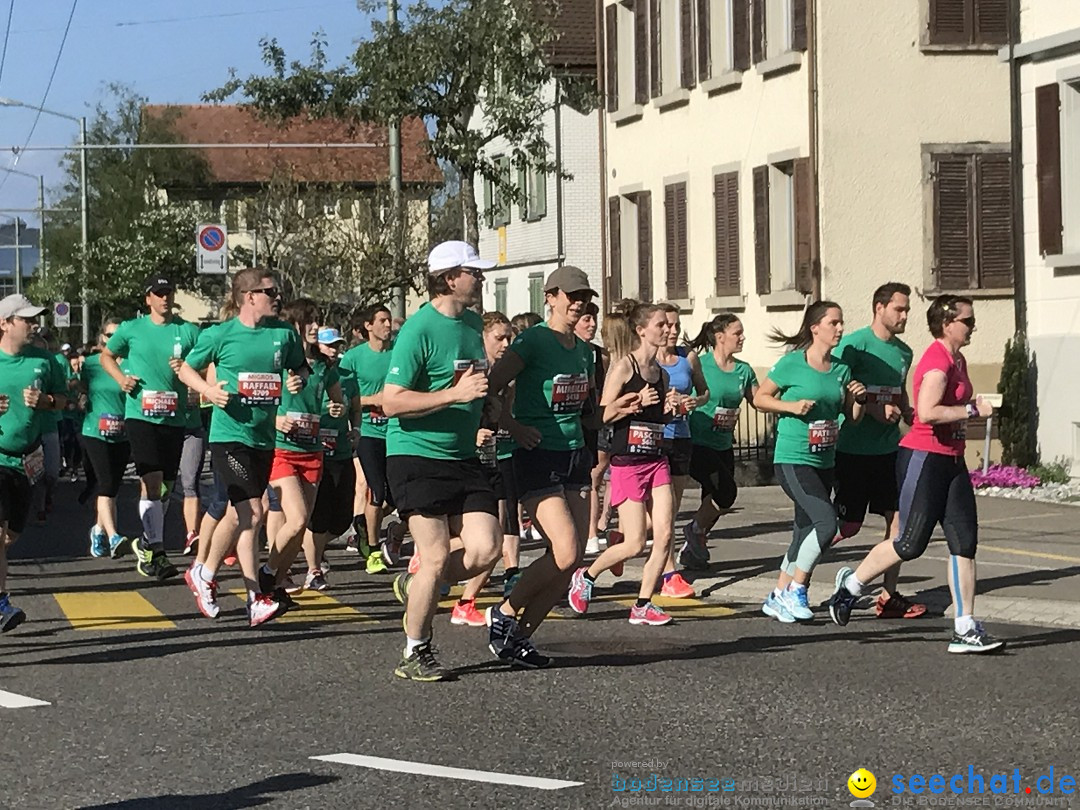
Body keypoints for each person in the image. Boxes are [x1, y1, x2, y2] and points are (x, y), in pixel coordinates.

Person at [828, 296, 1003, 653]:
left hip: (952, 461)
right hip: (924, 458)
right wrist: (971, 408)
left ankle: (965, 627)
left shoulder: (958, 358)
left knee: (964, 542)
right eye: (967, 321)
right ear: (946, 323)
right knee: (910, 542)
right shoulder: (937, 359)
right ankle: (849, 589)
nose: (973, 327)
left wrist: (970, 409)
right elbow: (926, 411)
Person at [382, 240, 503, 681]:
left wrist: (484, 405)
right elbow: (392, 403)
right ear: (450, 278)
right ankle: (415, 651)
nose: (481, 277)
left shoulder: (473, 325)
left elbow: (474, 382)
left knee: (487, 548)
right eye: (474, 271)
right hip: (415, 454)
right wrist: (455, 395)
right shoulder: (418, 329)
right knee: (433, 557)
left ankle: (416, 589)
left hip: (462, 455)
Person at [178, 268, 308, 626]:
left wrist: (297, 380)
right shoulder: (220, 334)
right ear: (249, 297)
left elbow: (302, 369)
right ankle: (256, 597)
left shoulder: (284, 334)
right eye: (270, 291)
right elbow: (186, 369)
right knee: (252, 510)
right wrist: (207, 391)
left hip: (264, 438)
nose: (277, 297)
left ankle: (203, 572)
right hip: (229, 436)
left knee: (239, 514)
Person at [486, 265, 598, 667]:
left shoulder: (585, 349)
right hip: (537, 454)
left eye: (584, 296)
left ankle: (518, 637)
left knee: (572, 561)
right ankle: (503, 611)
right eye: (572, 295)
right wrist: (513, 427)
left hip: (574, 454)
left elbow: (585, 409)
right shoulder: (532, 341)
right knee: (565, 551)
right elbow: (491, 388)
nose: (579, 303)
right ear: (550, 297)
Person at [753, 301, 865, 623]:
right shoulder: (792, 364)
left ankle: (777, 595)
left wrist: (859, 400)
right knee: (827, 523)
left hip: (824, 460)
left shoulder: (842, 369)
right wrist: (791, 406)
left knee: (802, 533)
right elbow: (761, 398)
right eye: (834, 323)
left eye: (841, 323)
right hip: (792, 459)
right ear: (815, 328)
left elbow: (853, 419)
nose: (840, 329)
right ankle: (798, 590)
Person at [567, 303, 678, 625]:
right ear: (641, 330)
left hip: (656, 460)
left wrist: (673, 409)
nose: (668, 330)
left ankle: (643, 603)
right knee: (634, 543)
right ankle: (586, 576)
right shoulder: (624, 368)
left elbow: (658, 419)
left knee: (666, 533)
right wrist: (633, 404)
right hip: (627, 462)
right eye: (661, 325)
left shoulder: (663, 373)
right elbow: (601, 415)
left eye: (670, 326)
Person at [831, 282, 926, 619]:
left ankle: (888, 596)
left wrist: (909, 411)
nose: (904, 316)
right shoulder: (854, 346)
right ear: (879, 308)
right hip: (853, 450)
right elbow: (837, 388)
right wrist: (871, 409)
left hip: (888, 450)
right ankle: (795, 572)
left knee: (898, 524)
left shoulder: (903, 352)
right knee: (847, 526)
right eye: (899, 309)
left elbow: (897, 391)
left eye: (906, 310)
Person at [102, 273, 201, 581]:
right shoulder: (132, 329)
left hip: (174, 417)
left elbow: (205, 362)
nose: (164, 298)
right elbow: (107, 356)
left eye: (168, 292)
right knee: (152, 479)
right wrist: (121, 380)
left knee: (167, 486)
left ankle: (146, 541)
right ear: (148, 299)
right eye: (158, 293)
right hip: (140, 415)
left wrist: (189, 375)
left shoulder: (189, 331)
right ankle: (156, 552)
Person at [261, 298, 345, 599]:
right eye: (308, 321)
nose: (314, 327)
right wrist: (278, 416)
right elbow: (258, 400)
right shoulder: (278, 360)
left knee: (301, 526)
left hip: (313, 451)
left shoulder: (323, 365)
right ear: (293, 325)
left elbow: (338, 399)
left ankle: (279, 583)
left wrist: (337, 407)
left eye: (317, 321)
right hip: (282, 450)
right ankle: (267, 573)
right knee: (295, 519)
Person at [0, 294, 68, 631]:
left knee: (10, 537)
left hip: (26, 459)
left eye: (34, 318)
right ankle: (1, 605)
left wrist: (47, 401)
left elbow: (66, 401)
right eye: (26, 319)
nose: (33, 324)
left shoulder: (45, 360)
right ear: (5, 323)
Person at [451, 310, 516, 626]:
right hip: (463, 459)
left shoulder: (505, 375)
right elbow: (451, 407)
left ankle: (466, 601)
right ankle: (428, 564)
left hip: (494, 457)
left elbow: (502, 414)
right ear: (483, 338)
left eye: (509, 337)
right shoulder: (470, 371)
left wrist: (515, 429)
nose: (505, 343)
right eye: (499, 338)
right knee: (464, 536)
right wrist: (471, 432)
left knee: (498, 533)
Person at [679, 315, 757, 571]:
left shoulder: (744, 370)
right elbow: (683, 395)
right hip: (698, 442)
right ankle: (692, 530)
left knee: (713, 501)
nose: (743, 337)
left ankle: (693, 551)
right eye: (738, 333)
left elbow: (759, 400)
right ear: (720, 336)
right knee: (726, 493)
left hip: (724, 443)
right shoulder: (698, 365)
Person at [339, 303, 405, 574]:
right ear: (368, 326)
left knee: (396, 497)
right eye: (382, 321)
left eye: (389, 321)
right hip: (369, 432)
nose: (388, 326)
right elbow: (341, 397)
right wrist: (372, 400)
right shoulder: (353, 358)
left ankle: (369, 524)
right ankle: (374, 550)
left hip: (398, 432)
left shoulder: (398, 353)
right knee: (376, 490)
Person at [655, 303, 709, 597]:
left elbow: (704, 391)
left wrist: (693, 402)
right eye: (667, 326)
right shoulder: (646, 357)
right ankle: (669, 573)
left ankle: (629, 538)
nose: (673, 331)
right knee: (662, 514)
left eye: (676, 326)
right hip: (654, 439)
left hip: (681, 436)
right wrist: (662, 402)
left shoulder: (688, 356)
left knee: (671, 509)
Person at [302, 327, 358, 590]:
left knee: (342, 519)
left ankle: (311, 544)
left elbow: (354, 405)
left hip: (342, 450)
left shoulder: (345, 375)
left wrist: (355, 427)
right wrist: (325, 408)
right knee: (319, 515)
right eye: (329, 346)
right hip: (316, 449)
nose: (334, 350)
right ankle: (313, 569)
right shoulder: (308, 372)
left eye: (337, 345)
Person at [81, 318, 133, 559]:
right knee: (106, 485)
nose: (113, 340)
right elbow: (80, 391)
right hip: (94, 431)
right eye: (109, 335)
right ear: (101, 338)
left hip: (122, 434)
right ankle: (114, 537)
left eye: (117, 335)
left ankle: (98, 529)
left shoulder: (132, 364)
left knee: (112, 487)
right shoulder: (91, 364)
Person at [586, 310, 633, 553]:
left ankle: (600, 525)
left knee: (603, 475)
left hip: (611, 421)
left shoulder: (610, 360)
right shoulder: (607, 358)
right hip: (610, 421)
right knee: (605, 474)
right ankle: (599, 526)